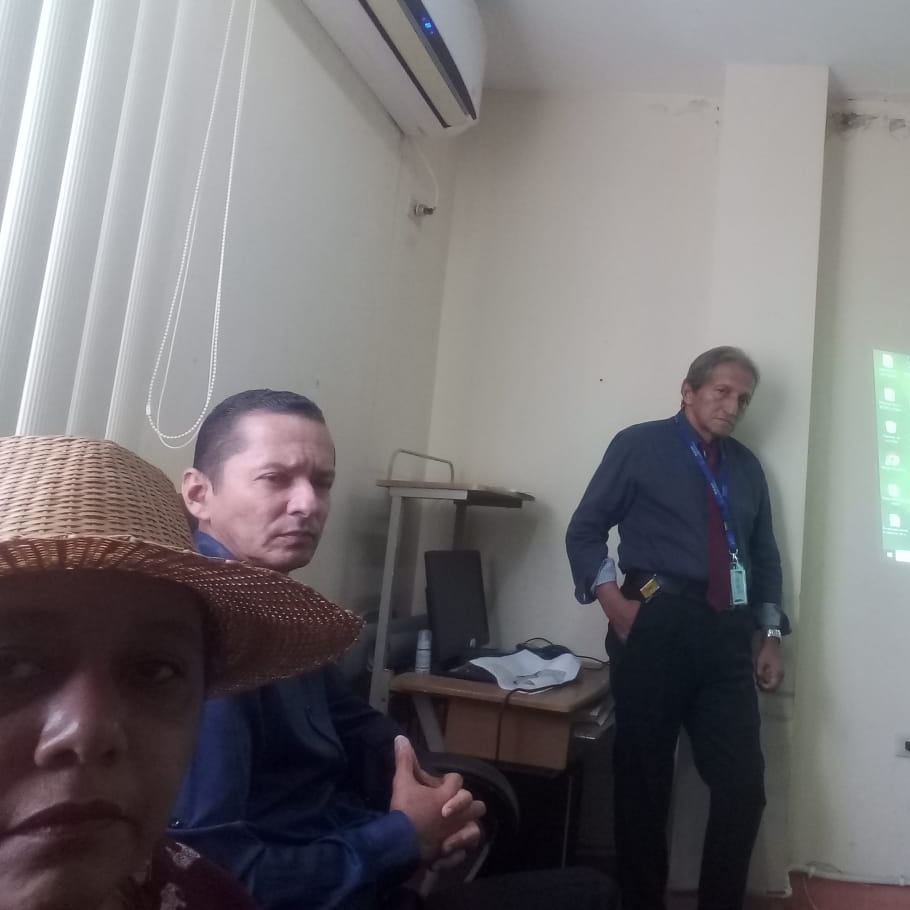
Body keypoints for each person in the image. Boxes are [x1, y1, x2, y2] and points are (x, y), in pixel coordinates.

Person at [171, 389, 617, 910]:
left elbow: (355, 724)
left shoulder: (282, 612)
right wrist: (403, 838)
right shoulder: (207, 640)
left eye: (322, 482)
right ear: (198, 494)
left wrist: (430, 795)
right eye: (275, 478)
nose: (308, 504)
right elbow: (217, 882)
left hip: (356, 868)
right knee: (591, 896)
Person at [0, 433, 364, 910]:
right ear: (198, 493)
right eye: (11, 667)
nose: (87, 731)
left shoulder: (208, 896)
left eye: (155, 671)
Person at [566, 346, 790, 910]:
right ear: (688, 391)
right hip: (654, 621)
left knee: (743, 788)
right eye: (722, 392)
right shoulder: (639, 445)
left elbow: (763, 556)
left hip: (727, 634)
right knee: (643, 785)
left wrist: (769, 635)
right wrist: (615, 605)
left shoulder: (746, 467)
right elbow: (585, 529)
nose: (733, 406)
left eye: (743, 399)